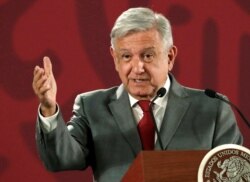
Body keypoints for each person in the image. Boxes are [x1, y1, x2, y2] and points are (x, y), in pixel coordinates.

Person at [32, 7, 243, 182]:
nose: (138, 67)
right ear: (115, 59)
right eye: (126, 56)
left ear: (169, 56)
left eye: (148, 55)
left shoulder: (213, 109)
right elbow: (61, 160)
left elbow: (237, 173)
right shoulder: (92, 106)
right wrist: (49, 109)